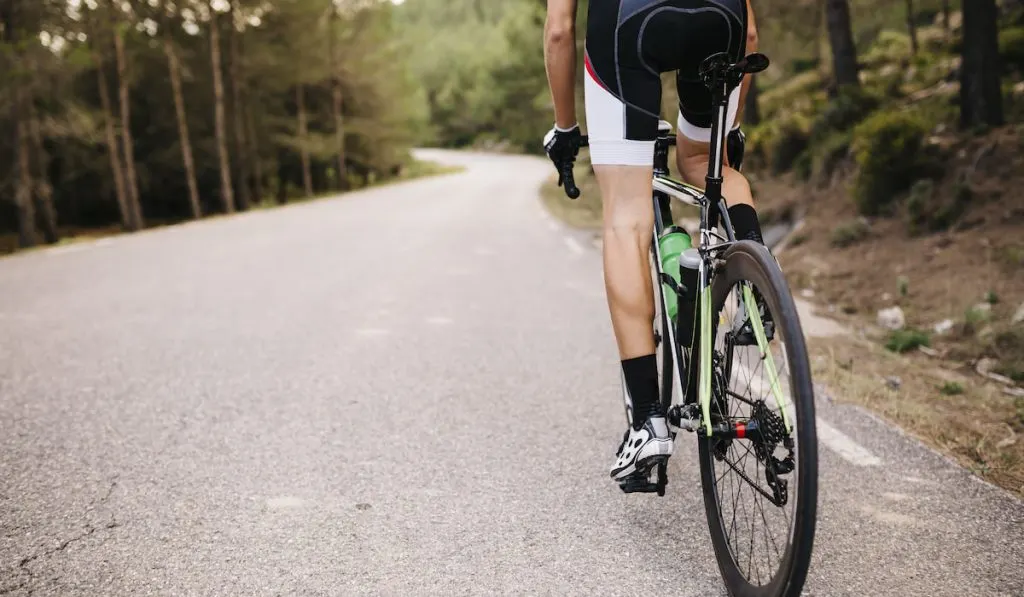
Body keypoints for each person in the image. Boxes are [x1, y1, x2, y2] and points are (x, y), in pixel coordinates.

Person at [542, 0, 770, 483]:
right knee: (711, 165)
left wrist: (565, 128)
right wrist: (724, 132)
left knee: (626, 214)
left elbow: (560, 31)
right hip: (720, 19)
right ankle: (758, 295)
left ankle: (648, 421)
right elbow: (749, 34)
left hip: (630, 22)